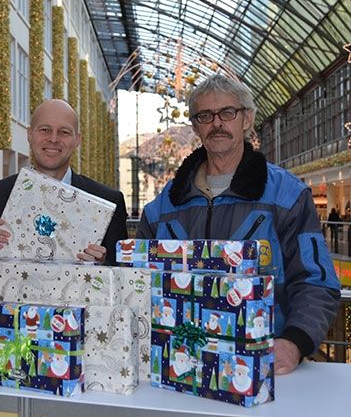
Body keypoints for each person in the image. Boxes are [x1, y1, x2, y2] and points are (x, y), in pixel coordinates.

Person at [136, 75, 340, 375]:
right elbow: (137, 280)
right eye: (205, 115)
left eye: (228, 113)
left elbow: (315, 280)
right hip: (181, 363)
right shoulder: (162, 208)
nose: (217, 123)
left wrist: (294, 341)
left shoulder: (286, 195)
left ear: (247, 119)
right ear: (195, 126)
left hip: (260, 365)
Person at [0, 99, 128, 265]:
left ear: (77, 140)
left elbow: (122, 274)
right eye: (45, 130)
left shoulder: (108, 203)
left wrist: (103, 265)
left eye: (64, 132)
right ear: (29, 134)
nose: (53, 139)